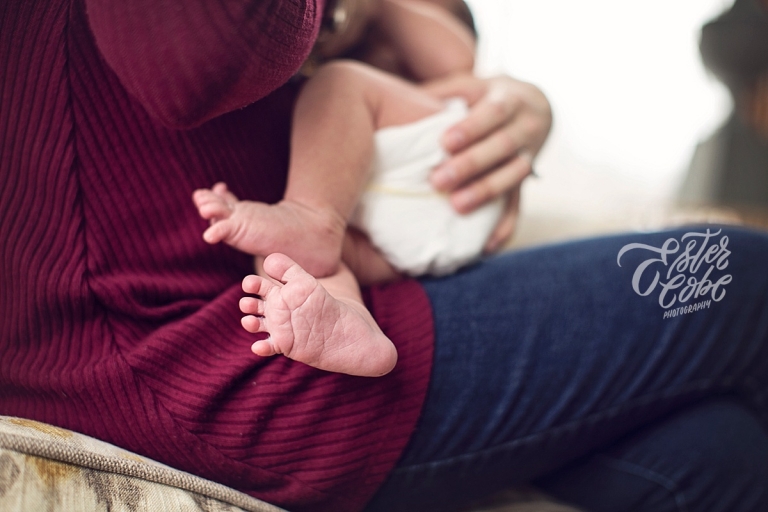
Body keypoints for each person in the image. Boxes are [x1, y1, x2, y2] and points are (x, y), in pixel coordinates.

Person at [3, 2, 768, 512]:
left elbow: (453, 57)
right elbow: (185, 54)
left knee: (716, 454)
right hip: (178, 342)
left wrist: (522, 104)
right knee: (736, 277)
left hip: (275, 279)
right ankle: (342, 304)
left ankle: (343, 302)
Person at [191, 0, 500, 377]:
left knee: (339, 82)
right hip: (412, 240)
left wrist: (385, 8)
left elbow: (456, 57)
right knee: (287, 258)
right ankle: (352, 322)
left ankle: (310, 215)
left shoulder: (446, 81)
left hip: (441, 160)